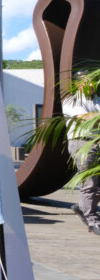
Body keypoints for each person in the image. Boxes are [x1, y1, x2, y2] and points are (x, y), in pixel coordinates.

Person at [61, 70, 100, 235]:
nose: (92, 85)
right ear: (78, 84)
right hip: (82, 143)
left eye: (93, 81)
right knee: (89, 183)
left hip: (96, 142)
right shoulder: (71, 101)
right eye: (88, 82)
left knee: (97, 185)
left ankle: (83, 207)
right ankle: (92, 220)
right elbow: (87, 119)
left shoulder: (97, 100)